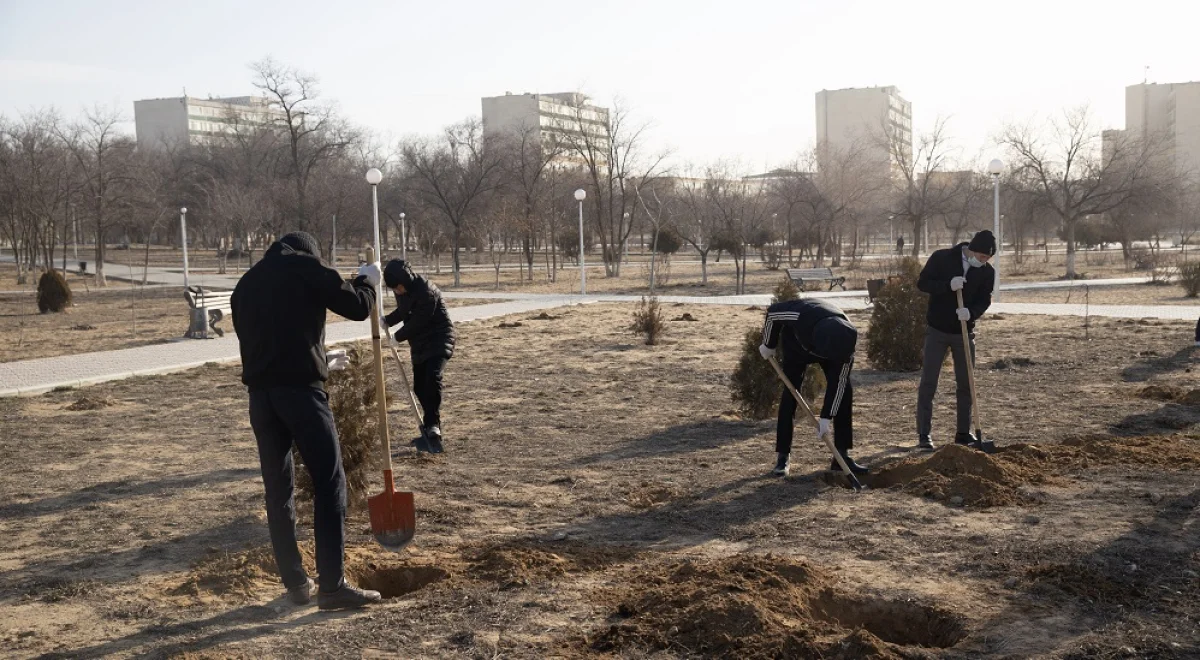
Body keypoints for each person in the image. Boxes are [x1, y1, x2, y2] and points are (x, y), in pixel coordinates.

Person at [231, 231, 383, 610]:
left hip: (261, 400)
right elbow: (358, 308)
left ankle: (297, 586)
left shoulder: (246, 284)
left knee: (278, 492)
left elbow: (272, 339)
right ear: (308, 253)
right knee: (330, 482)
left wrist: (318, 358)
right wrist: (368, 282)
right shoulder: (306, 267)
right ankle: (332, 586)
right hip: (301, 394)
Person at [758, 299, 866, 477]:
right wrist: (769, 345)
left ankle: (841, 455)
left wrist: (826, 417)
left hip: (829, 346)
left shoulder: (847, 340)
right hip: (797, 347)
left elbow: (837, 383)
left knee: (844, 391)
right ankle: (783, 457)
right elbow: (773, 314)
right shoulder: (801, 315)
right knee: (790, 393)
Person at [914, 230, 997, 451]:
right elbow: (922, 283)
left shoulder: (987, 273)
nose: (983, 262)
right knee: (929, 382)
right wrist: (947, 285)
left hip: (964, 333)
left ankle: (963, 433)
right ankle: (924, 434)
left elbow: (984, 300)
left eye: (987, 259)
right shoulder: (942, 258)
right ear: (972, 250)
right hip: (937, 330)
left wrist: (971, 313)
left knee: (966, 383)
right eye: (981, 257)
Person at [382, 259, 456, 454]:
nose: (396, 291)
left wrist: (398, 337)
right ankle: (430, 425)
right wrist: (388, 320)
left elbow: (419, 321)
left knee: (432, 377)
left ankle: (433, 426)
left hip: (439, 339)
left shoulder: (426, 291)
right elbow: (404, 311)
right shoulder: (404, 291)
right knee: (419, 387)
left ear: (404, 281)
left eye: (397, 287)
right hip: (420, 344)